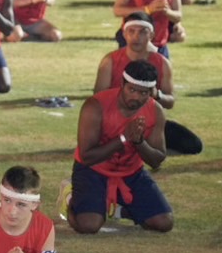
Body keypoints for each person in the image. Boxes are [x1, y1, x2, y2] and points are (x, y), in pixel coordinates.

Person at [68, 59, 172, 234]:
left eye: (143, 93)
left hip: (131, 172)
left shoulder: (155, 111)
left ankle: (118, 209)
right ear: (122, 84)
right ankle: (70, 200)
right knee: (88, 225)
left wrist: (139, 142)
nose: (136, 97)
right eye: (132, 90)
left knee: (163, 223)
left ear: (151, 92)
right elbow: (87, 157)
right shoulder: (95, 106)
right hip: (93, 170)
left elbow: (157, 160)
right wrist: (123, 138)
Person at [92, 12, 202, 156]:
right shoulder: (110, 61)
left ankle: (143, 146)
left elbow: (170, 101)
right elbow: (98, 100)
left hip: (149, 122)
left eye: (142, 32)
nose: (136, 37)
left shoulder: (162, 63)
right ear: (124, 34)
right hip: (116, 123)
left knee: (193, 145)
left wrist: (156, 94)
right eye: (131, 31)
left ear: (151, 35)